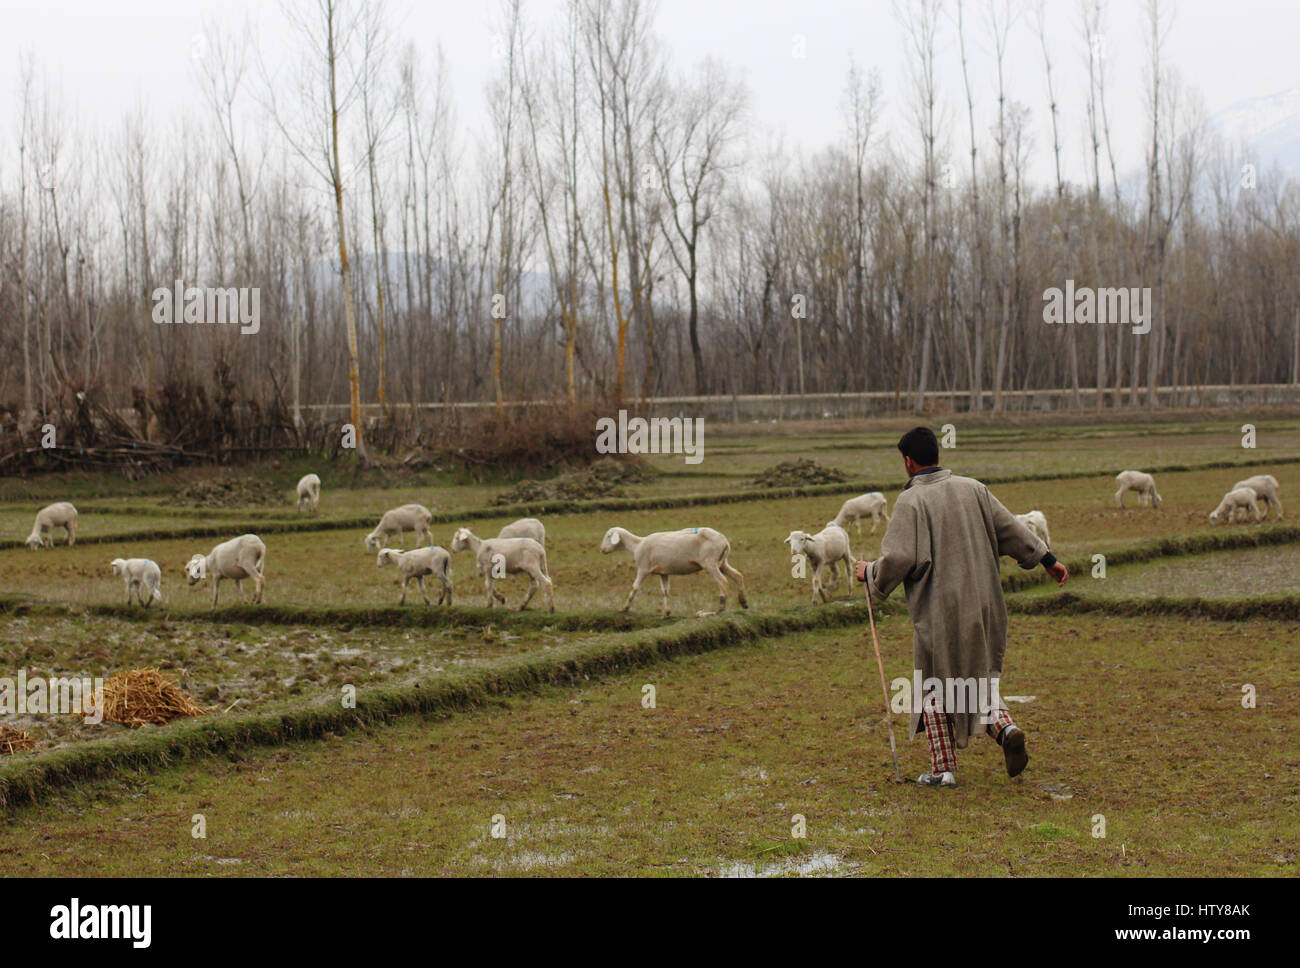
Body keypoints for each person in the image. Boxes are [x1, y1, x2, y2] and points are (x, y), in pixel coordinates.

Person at [854, 427, 1069, 787]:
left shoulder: (911, 502)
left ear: (908, 462)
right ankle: (1005, 728)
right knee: (974, 676)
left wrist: (870, 572)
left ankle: (943, 768)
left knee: (934, 683)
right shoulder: (974, 489)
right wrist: (1047, 559)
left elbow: (900, 556)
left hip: (941, 610)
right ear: (937, 453)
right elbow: (1012, 530)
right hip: (985, 605)